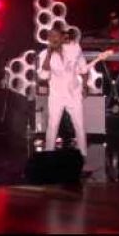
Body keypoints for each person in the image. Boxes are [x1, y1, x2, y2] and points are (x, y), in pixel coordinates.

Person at [37, 26, 89, 157]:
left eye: (55, 36)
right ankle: (48, 155)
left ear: (62, 37)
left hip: (74, 93)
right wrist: (49, 55)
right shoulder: (44, 54)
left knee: (79, 125)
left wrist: (85, 86)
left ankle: (82, 155)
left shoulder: (74, 48)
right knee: (53, 125)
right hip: (57, 95)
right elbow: (43, 76)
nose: (52, 39)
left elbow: (83, 68)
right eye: (50, 36)